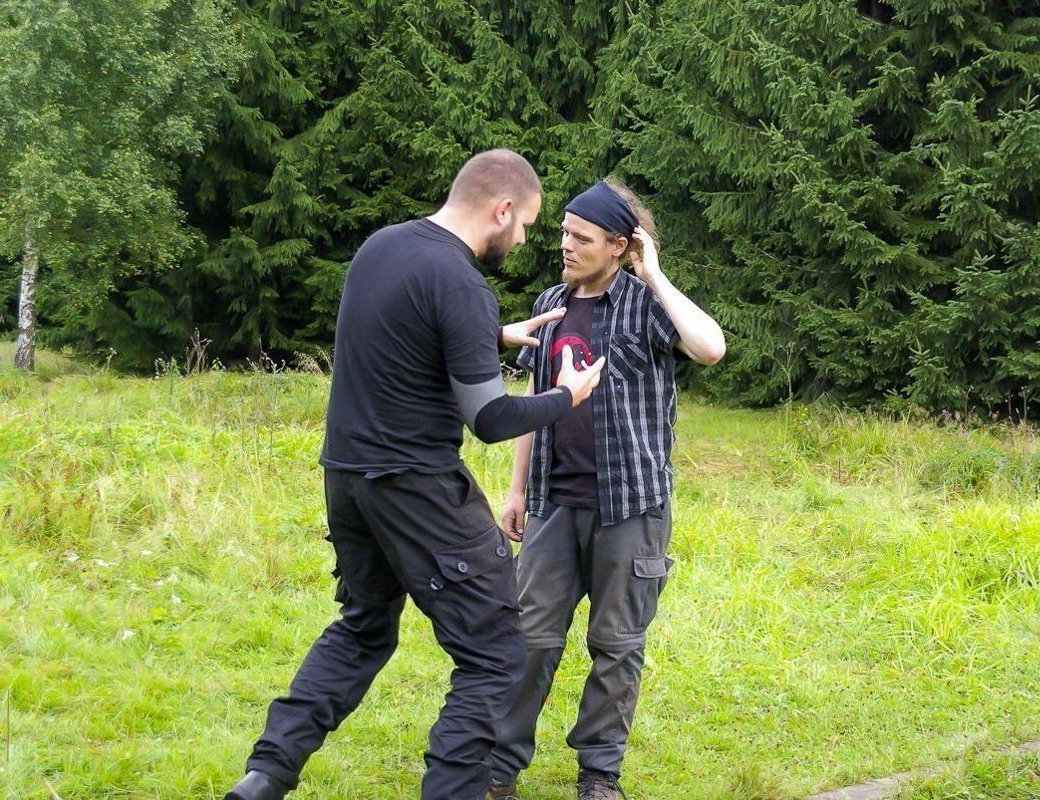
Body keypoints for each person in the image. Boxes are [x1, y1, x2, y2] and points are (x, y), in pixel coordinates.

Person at [224, 149, 606, 800]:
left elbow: (401, 339)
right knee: (494, 654)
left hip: (348, 478)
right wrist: (566, 396)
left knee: (364, 628)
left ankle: (265, 777)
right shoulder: (460, 283)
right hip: (417, 487)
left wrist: (490, 334)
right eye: (525, 225)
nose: (522, 240)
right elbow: (489, 418)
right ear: (502, 208)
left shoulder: (383, 248)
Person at [487, 178, 726, 800]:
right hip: (553, 503)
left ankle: (598, 774)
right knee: (529, 640)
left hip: (632, 507)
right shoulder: (551, 303)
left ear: (620, 245)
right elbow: (534, 400)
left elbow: (710, 349)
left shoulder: (647, 305)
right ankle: (498, 768)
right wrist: (517, 490)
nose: (565, 245)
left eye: (581, 237)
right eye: (564, 233)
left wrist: (656, 275)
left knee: (617, 645)